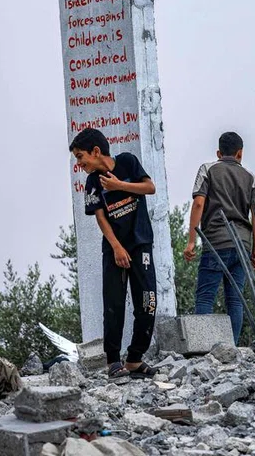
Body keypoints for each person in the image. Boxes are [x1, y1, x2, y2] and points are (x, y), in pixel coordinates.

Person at [69, 128, 158, 378]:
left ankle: (134, 358)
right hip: (114, 249)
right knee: (114, 305)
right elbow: (100, 217)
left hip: (141, 244)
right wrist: (116, 246)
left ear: (96, 151)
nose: (79, 163)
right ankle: (113, 361)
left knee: (148, 302)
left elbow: (149, 188)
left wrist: (119, 185)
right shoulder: (92, 182)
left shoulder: (128, 162)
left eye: (80, 156)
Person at [183, 132, 255, 344]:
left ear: (218, 153)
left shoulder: (208, 170)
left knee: (205, 297)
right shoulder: (251, 178)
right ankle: (232, 348)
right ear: (240, 153)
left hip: (216, 242)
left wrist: (191, 241)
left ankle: (202, 347)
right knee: (235, 300)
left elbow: (199, 203)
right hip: (242, 246)